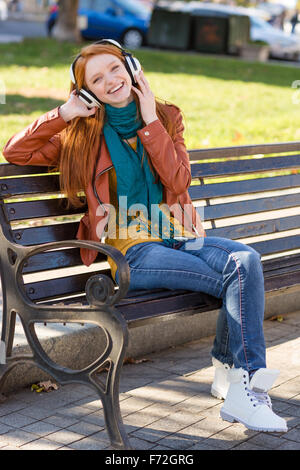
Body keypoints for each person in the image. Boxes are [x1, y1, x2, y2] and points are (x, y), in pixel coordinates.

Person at [2, 39, 288, 434]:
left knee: (246, 261)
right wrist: (64, 113)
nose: (110, 81)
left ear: (132, 68)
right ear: (87, 91)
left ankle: (232, 375)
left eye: (115, 69)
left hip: (179, 237)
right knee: (236, 275)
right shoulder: (82, 134)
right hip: (131, 254)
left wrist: (152, 122)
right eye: (96, 79)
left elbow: (178, 180)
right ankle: (244, 384)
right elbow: (16, 151)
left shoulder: (167, 117)